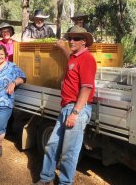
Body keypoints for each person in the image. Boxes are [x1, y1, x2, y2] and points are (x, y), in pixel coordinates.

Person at [34, 26, 96, 185]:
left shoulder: (87, 59)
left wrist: (75, 113)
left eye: (75, 39)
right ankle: (46, 178)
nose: (71, 41)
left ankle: (64, 182)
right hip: (66, 108)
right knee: (52, 145)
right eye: (70, 38)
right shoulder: (75, 57)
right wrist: (62, 48)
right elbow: (71, 62)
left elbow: (87, 88)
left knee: (69, 152)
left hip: (77, 109)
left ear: (84, 42)